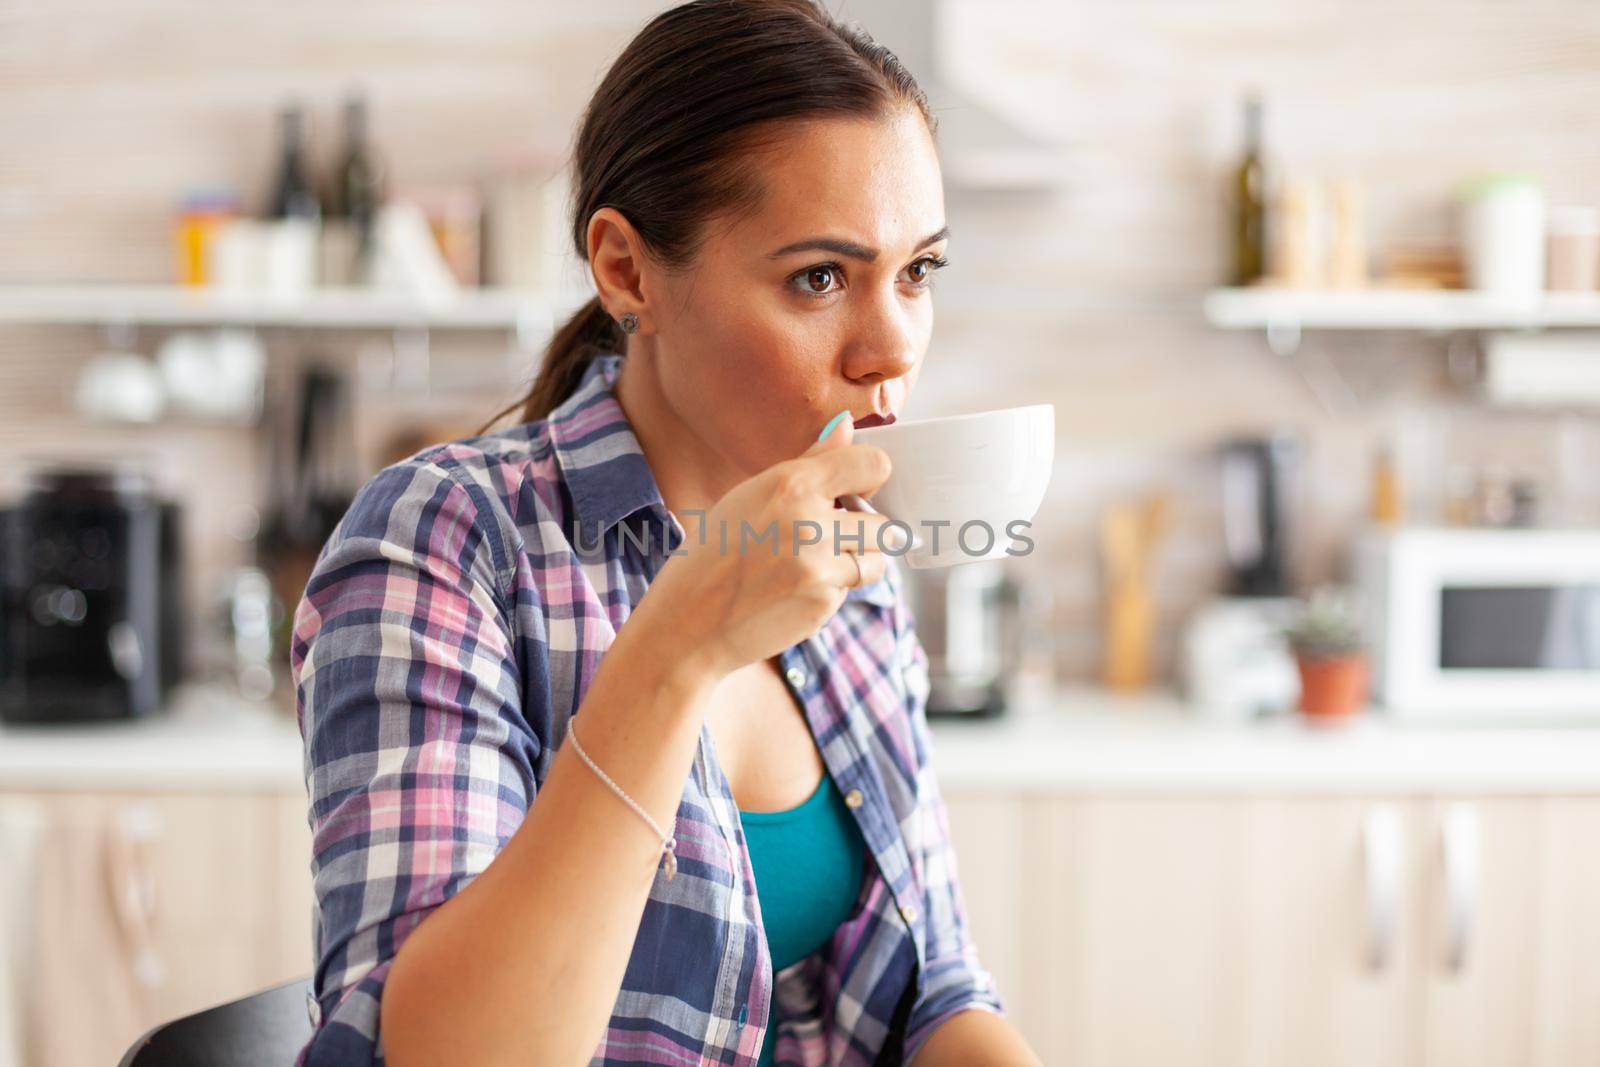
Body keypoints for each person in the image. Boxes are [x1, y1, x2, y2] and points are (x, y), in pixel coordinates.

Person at [291, 1, 1040, 1063]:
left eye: (916, 272)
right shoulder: (446, 543)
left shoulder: (849, 563)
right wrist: (680, 644)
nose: (890, 348)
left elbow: (933, 989)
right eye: (819, 277)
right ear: (627, 269)